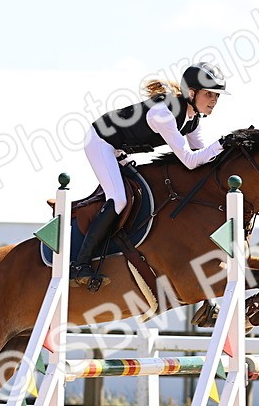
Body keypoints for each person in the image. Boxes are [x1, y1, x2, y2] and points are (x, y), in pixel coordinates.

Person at [71, 62, 229, 289]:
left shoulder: (193, 118)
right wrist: (223, 144)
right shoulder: (163, 114)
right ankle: (80, 264)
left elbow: (201, 155)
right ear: (191, 93)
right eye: (208, 94)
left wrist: (226, 153)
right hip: (100, 141)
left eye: (216, 95)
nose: (214, 100)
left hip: (119, 149)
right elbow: (189, 161)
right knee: (119, 198)